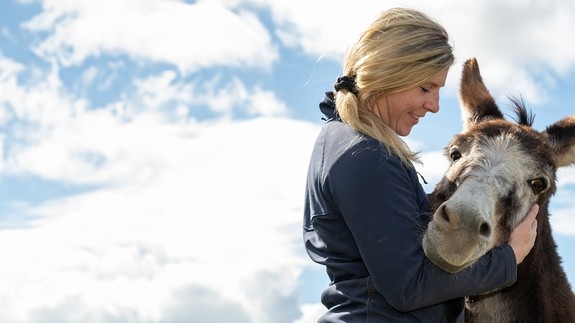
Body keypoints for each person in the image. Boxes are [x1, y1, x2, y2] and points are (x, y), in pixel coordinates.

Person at [302, 7, 539, 322]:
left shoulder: (345, 142)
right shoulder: (364, 156)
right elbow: (409, 287)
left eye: (439, 89)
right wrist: (510, 257)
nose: (435, 106)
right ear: (390, 73)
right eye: (425, 88)